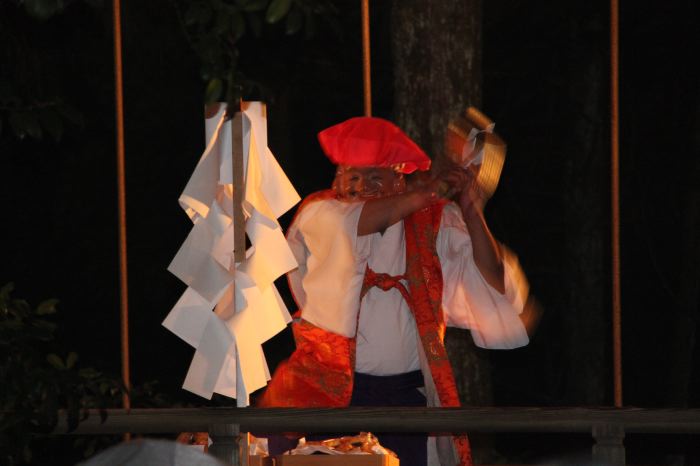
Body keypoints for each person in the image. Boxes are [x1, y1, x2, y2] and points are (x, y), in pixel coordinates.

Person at [257, 116, 530, 466]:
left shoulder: (435, 220)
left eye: (375, 176)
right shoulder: (320, 212)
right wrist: (434, 187)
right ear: (337, 177)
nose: (360, 186)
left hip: (406, 400)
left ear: (398, 179)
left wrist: (472, 211)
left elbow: (492, 279)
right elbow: (367, 219)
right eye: (352, 175)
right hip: (327, 392)